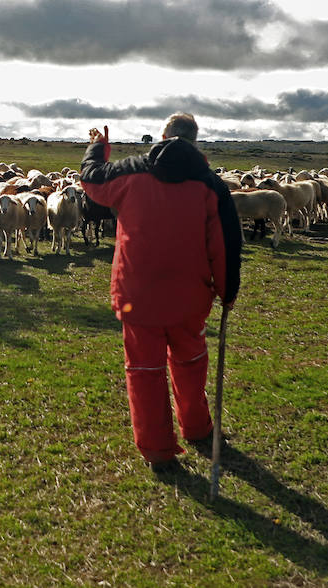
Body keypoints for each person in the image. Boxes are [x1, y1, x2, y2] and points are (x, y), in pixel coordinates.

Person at [80, 113, 242, 473]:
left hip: (137, 295)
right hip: (189, 298)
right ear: (194, 141)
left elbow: (91, 179)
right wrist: (227, 292)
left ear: (164, 136)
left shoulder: (131, 172)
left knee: (144, 370)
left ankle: (156, 449)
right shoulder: (210, 186)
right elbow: (226, 246)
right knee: (190, 361)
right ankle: (197, 428)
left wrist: (98, 147)